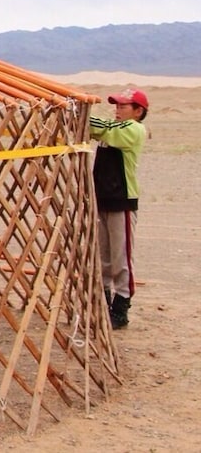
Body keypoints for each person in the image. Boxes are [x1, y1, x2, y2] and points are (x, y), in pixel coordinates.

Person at [90, 88, 148, 329]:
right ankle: (102, 302)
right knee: (102, 255)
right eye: (117, 106)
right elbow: (98, 129)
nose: (118, 110)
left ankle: (121, 307)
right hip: (102, 198)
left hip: (122, 200)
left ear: (138, 111)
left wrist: (82, 115)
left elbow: (101, 128)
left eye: (124, 106)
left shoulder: (133, 130)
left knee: (121, 258)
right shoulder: (114, 129)